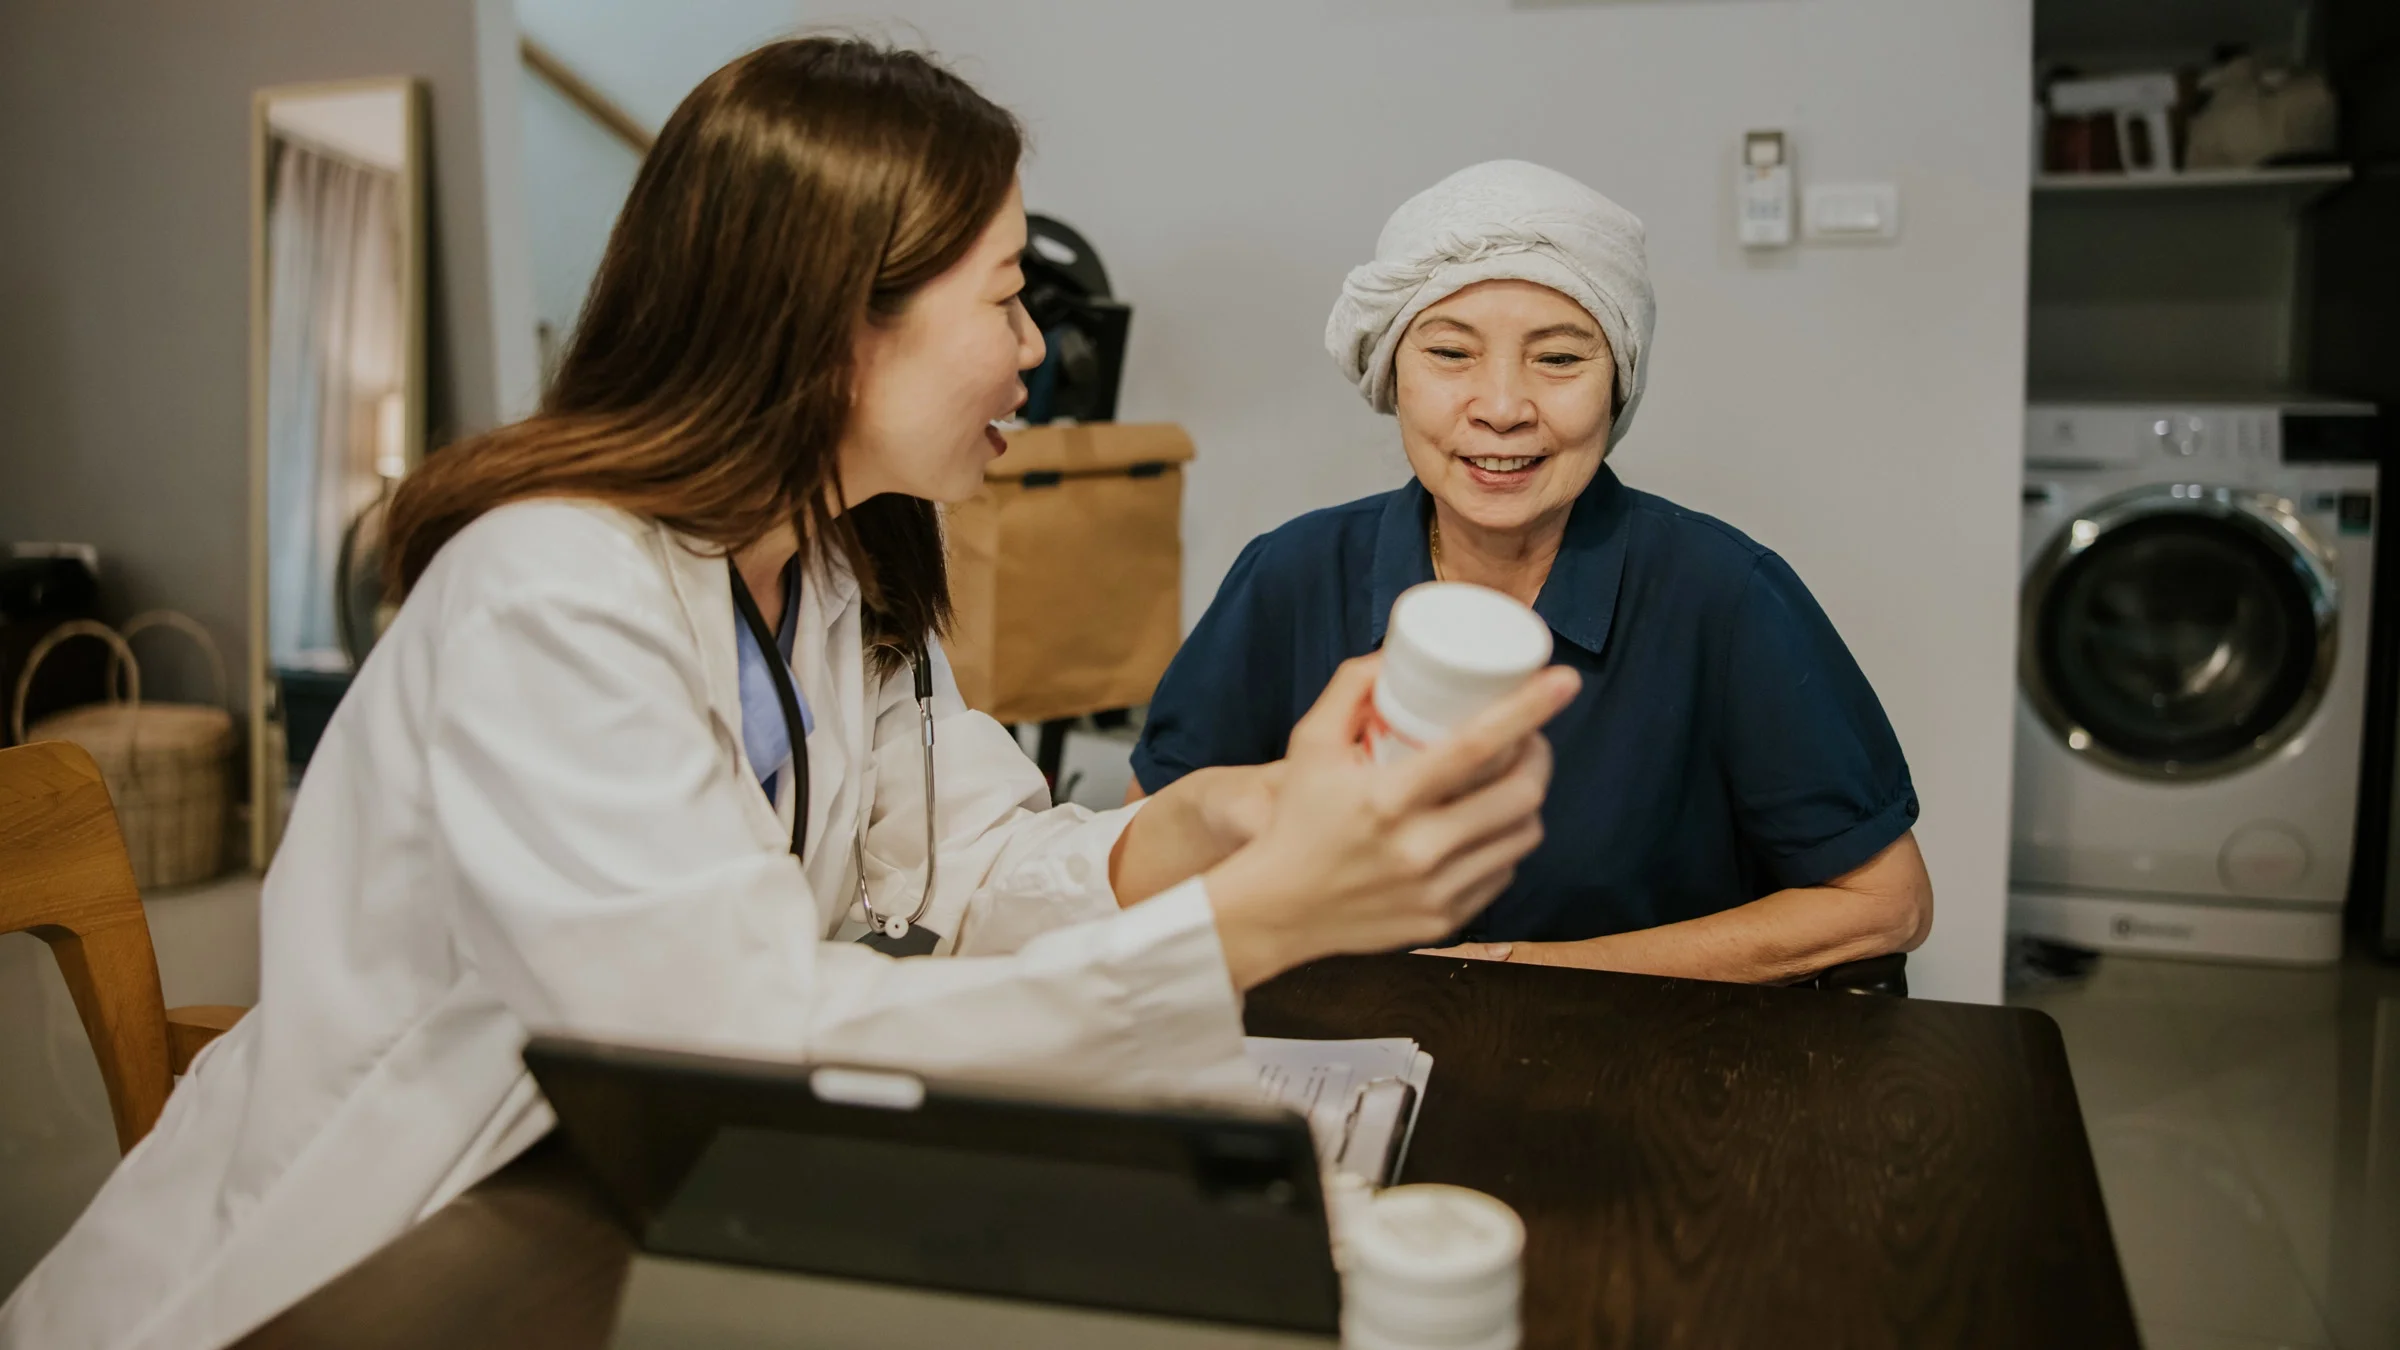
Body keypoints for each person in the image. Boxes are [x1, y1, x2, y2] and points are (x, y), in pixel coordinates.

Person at [0, 45, 1575, 1350]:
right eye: (1008, 298)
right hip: (391, 1249)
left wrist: (1211, 827)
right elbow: (728, 1048)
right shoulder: (549, 593)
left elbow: (955, 867)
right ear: (840, 320)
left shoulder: (834, 569)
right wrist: (1263, 919)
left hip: (642, 1209)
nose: (1040, 351)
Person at [1132, 160, 1930, 984]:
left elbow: (1886, 902)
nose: (1504, 406)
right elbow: (1140, 853)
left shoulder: (1724, 597)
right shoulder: (1290, 577)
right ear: (1391, 377)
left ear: (1617, 384)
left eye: (1557, 359)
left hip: (1645, 1071)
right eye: (1450, 353)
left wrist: (1523, 972)